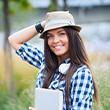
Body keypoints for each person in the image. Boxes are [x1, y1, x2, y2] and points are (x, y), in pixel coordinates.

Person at [8, 11, 98, 110]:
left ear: (72, 37)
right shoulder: (45, 62)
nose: (55, 40)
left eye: (61, 34)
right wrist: (46, 23)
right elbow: (14, 40)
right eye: (50, 36)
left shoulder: (81, 73)